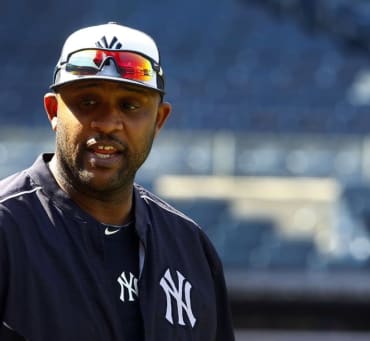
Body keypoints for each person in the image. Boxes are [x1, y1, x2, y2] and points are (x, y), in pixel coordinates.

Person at [0, 22, 235, 340]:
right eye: (87, 102)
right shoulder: (8, 228)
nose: (108, 123)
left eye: (130, 105)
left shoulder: (191, 249)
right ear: (53, 111)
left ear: (159, 119)